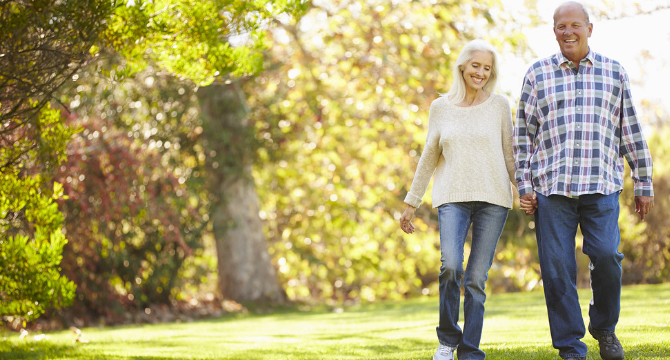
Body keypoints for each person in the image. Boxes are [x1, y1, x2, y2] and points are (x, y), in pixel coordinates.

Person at [514, 2, 654, 360]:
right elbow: (523, 138)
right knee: (557, 269)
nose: (568, 32)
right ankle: (570, 347)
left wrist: (643, 179)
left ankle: (604, 329)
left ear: (589, 29)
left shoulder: (613, 72)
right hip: (552, 189)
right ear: (554, 31)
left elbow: (630, 130)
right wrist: (524, 185)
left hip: (601, 184)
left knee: (607, 257)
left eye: (575, 25)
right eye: (561, 27)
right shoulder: (537, 74)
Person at [399, 39, 516, 360]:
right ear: (463, 66)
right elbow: (428, 156)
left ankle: (470, 351)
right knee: (451, 266)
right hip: (452, 197)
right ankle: (448, 340)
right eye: (475, 65)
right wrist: (412, 201)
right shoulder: (441, 107)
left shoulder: (500, 106)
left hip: (494, 199)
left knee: (476, 279)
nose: (480, 72)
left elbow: (510, 154)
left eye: (487, 68)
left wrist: (525, 189)